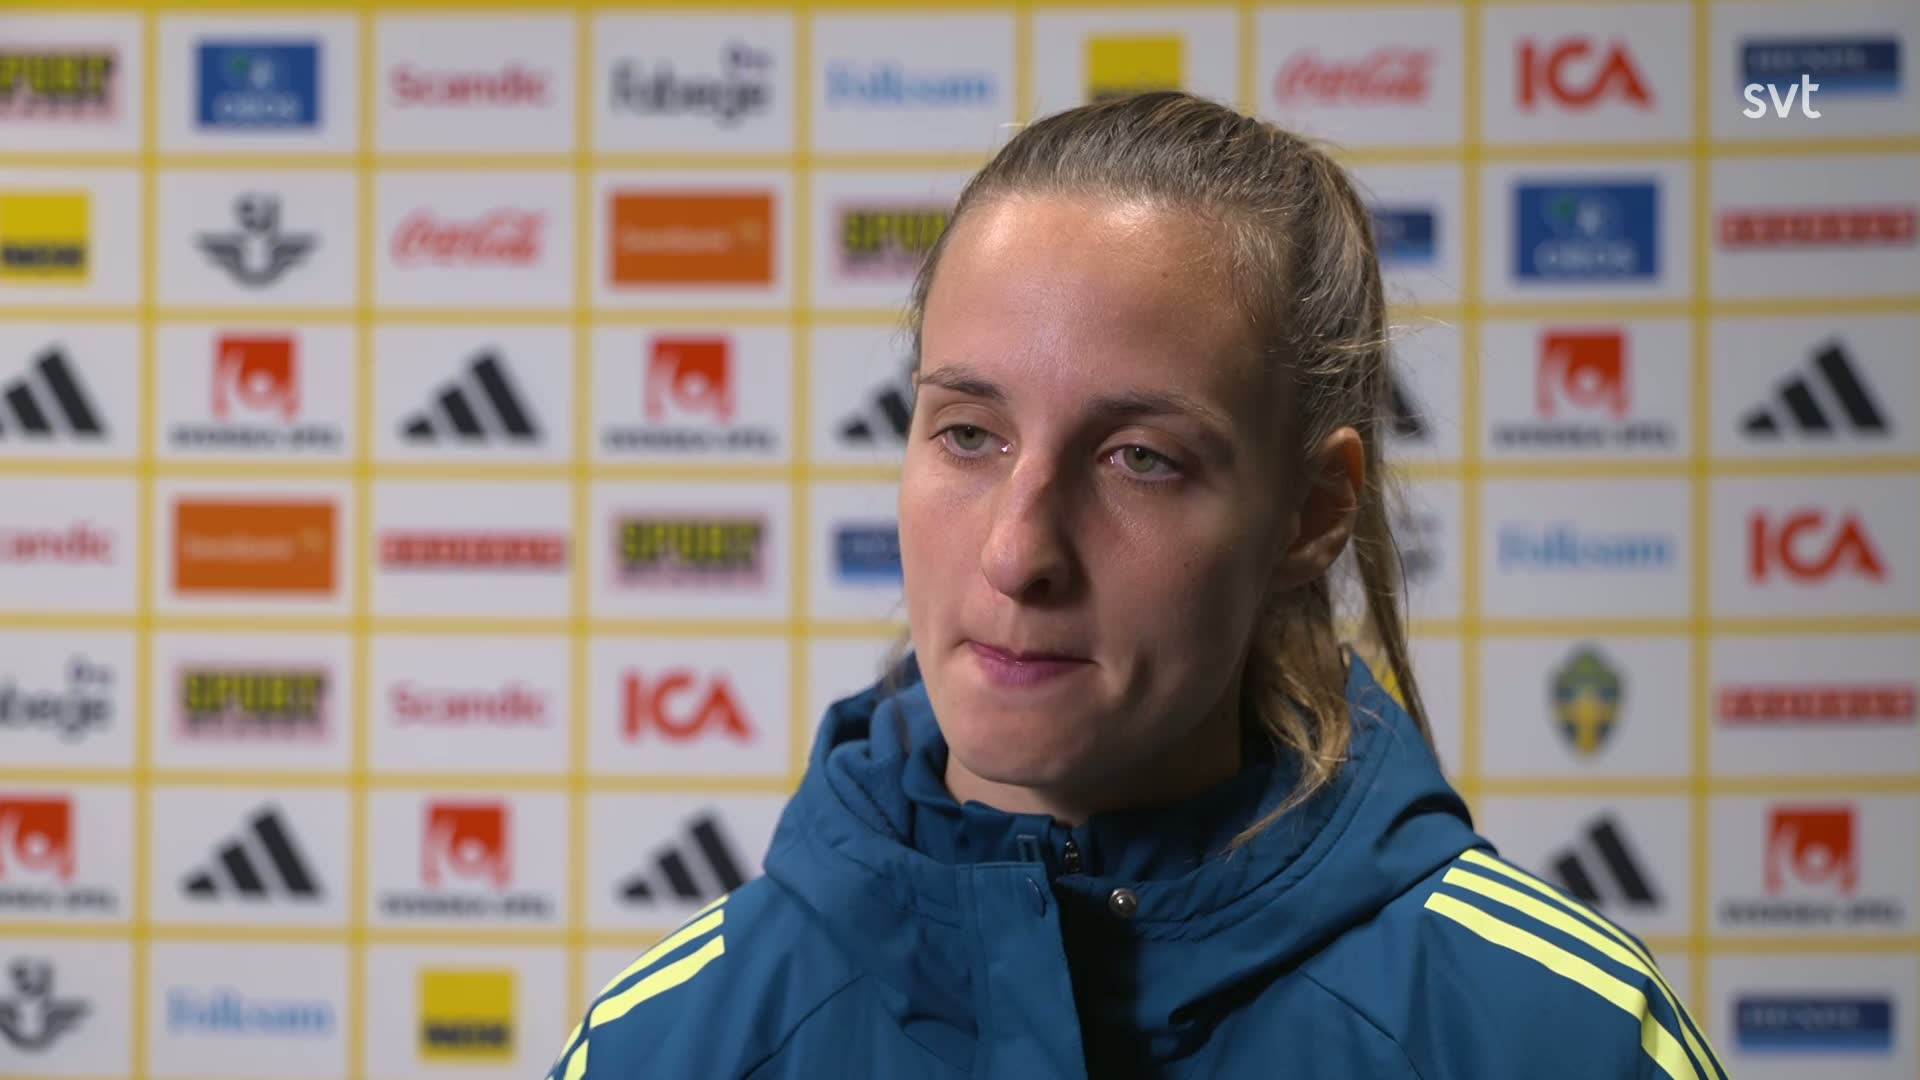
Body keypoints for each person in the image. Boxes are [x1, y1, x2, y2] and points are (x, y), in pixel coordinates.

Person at [545, 92, 1726, 1079]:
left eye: (1140, 460)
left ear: (1313, 513)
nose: (1019, 553)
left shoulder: (1561, 1038)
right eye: (969, 434)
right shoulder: (665, 1047)